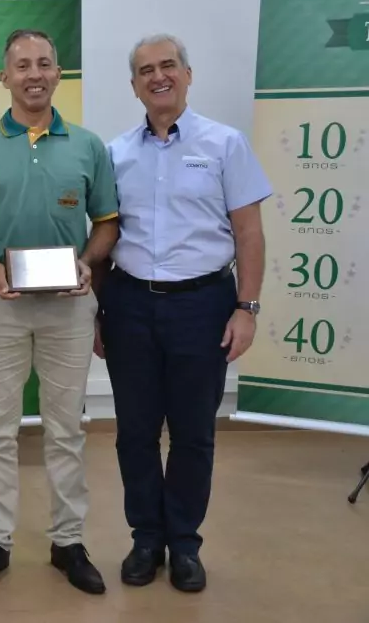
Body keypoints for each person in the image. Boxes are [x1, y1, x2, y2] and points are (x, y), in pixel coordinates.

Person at [0, 29, 120, 596]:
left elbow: (107, 223)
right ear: (5, 77)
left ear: (58, 73)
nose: (34, 73)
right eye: (22, 65)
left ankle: (67, 541)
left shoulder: (89, 146)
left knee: (67, 428)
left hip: (70, 307)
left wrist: (90, 263)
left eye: (44, 63)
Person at [97, 34, 270, 593]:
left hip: (203, 304)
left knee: (194, 434)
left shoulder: (226, 144)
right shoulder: (115, 153)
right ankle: (146, 538)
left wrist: (246, 307)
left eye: (167, 65)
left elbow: (249, 232)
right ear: (133, 85)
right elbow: (104, 236)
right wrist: (102, 311)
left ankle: (186, 544)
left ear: (188, 75)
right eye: (146, 70)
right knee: (135, 433)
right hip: (129, 305)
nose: (158, 76)